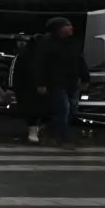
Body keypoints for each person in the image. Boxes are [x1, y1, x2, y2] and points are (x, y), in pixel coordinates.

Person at [34, 15, 88, 150]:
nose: (70, 28)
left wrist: (85, 78)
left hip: (72, 82)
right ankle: (62, 139)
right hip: (55, 82)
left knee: (72, 109)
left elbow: (80, 61)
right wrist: (41, 83)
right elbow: (40, 64)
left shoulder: (74, 42)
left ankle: (51, 130)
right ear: (58, 29)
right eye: (66, 25)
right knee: (63, 109)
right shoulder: (47, 44)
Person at [11, 32, 47, 144]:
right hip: (32, 86)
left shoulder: (24, 53)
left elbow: (14, 71)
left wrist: (12, 87)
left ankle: (33, 133)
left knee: (31, 110)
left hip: (26, 86)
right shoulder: (42, 54)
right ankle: (35, 133)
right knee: (36, 110)